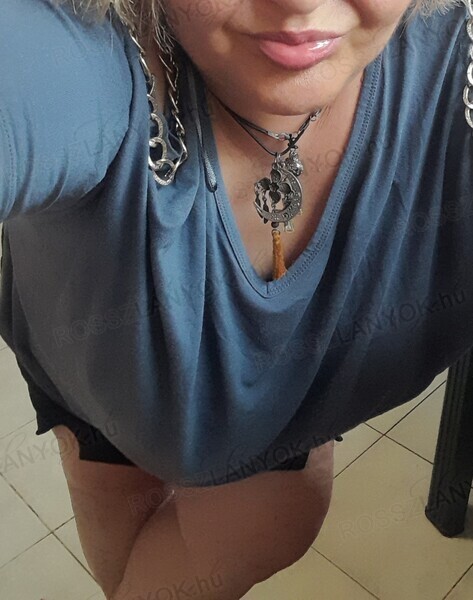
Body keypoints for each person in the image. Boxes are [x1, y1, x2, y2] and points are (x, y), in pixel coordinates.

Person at [0, 0, 472, 598]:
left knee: (272, 516)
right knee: (121, 528)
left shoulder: (457, 62)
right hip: (89, 371)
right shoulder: (82, 41)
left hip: (268, 422)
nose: (300, 3)